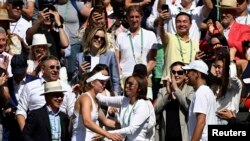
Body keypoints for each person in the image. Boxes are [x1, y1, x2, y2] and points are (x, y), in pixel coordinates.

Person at [16, 55, 76, 130]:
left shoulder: (66, 88)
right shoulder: (30, 87)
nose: (55, 70)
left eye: (57, 68)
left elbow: (72, 113)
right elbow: (21, 111)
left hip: (60, 131)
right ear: (43, 69)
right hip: (36, 132)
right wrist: (26, 135)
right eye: (52, 67)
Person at [96, 75, 156, 141]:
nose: (127, 86)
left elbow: (131, 129)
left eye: (130, 84)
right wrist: (90, 88)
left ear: (139, 88)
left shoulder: (143, 105)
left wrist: (106, 133)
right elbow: (104, 100)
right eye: (127, 83)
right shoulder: (125, 100)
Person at [71, 71, 123, 141]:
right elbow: (87, 122)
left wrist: (125, 125)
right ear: (92, 83)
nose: (104, 84)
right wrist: (108, 134)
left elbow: (106, 121)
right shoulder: (85, 97)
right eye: (101, 82)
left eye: (104, 82)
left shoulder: (95, 100)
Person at [73, 26, 121, 95]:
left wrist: (116, 99)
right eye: (96, 37)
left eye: (102, 38)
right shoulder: (80, 57)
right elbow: (74, 82)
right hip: (87, 94)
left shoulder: (110, 56)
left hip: (104, 94)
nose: (99, 40)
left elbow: (115, 80)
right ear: (91, 37)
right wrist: (80, 73)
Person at [154, 61, 194, 141]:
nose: (176, 75)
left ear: (185, 75)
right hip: (166, 136)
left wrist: (176, 89)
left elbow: (189, 107)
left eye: (179, 72)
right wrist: (168, 95)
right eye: (173, 72)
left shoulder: (190, 90)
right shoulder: (162, 91)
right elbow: (155, 110)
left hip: (182, 136)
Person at [2, 54, 38, 141]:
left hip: (31, 130)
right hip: (11, 132)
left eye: (21, 72)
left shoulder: (36, 82)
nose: (18, 76)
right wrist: (6, 112)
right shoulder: (5, 83)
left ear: (27, 67)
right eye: (16, 73)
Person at [182, 60, 218, 141]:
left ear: (197, 74)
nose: (186, 74)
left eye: (189, 71)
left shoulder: (201, 93)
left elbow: (201, 122)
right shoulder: (207, 91)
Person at [159, 12, 200, 78]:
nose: (181, 24)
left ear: (190, 24)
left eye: (184, 22)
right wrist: (161, 22)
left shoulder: (195, 43)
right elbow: (162, 33)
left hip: (188, 82)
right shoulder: (170, 37)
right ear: (175, 24)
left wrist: (197, 59)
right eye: (178, 22)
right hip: (170, 81)